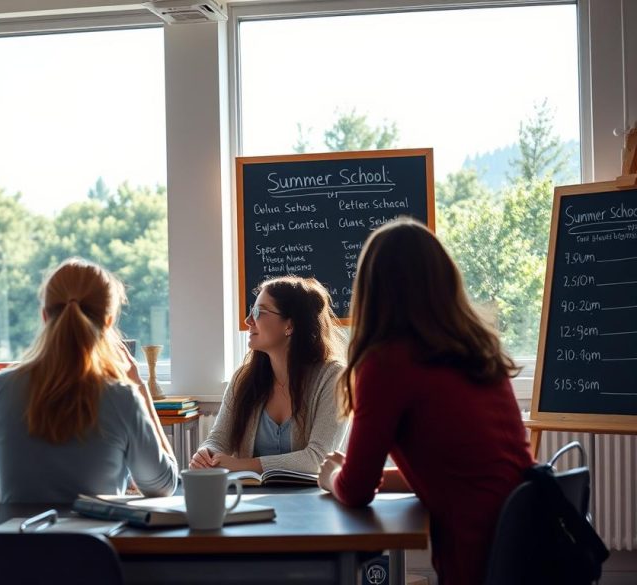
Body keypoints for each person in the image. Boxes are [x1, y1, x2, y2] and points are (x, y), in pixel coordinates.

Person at [317, 218, 533, 585]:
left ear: (374, 290)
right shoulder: (477, 350)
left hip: (478, 552)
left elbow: (355, 492)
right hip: (527, 536)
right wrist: (371, 476)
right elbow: (459, 467)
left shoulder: (387, 364)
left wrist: (332, 477)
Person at [0, 258, 178, 503]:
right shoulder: (121, 396)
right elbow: (165, 486)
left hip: (20, 540)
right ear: (108, 322)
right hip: (96, 540)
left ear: (44, 316)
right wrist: (139, 386)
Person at [190, 276, 346, 476]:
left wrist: (242, 465)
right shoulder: (243, 378)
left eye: (258, 312)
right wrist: (207, 454)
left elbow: (317, 459)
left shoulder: (333, 377)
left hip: (313, 501)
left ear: (289, 325)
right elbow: (219, 439)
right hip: (250, 499)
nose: (248, 321)